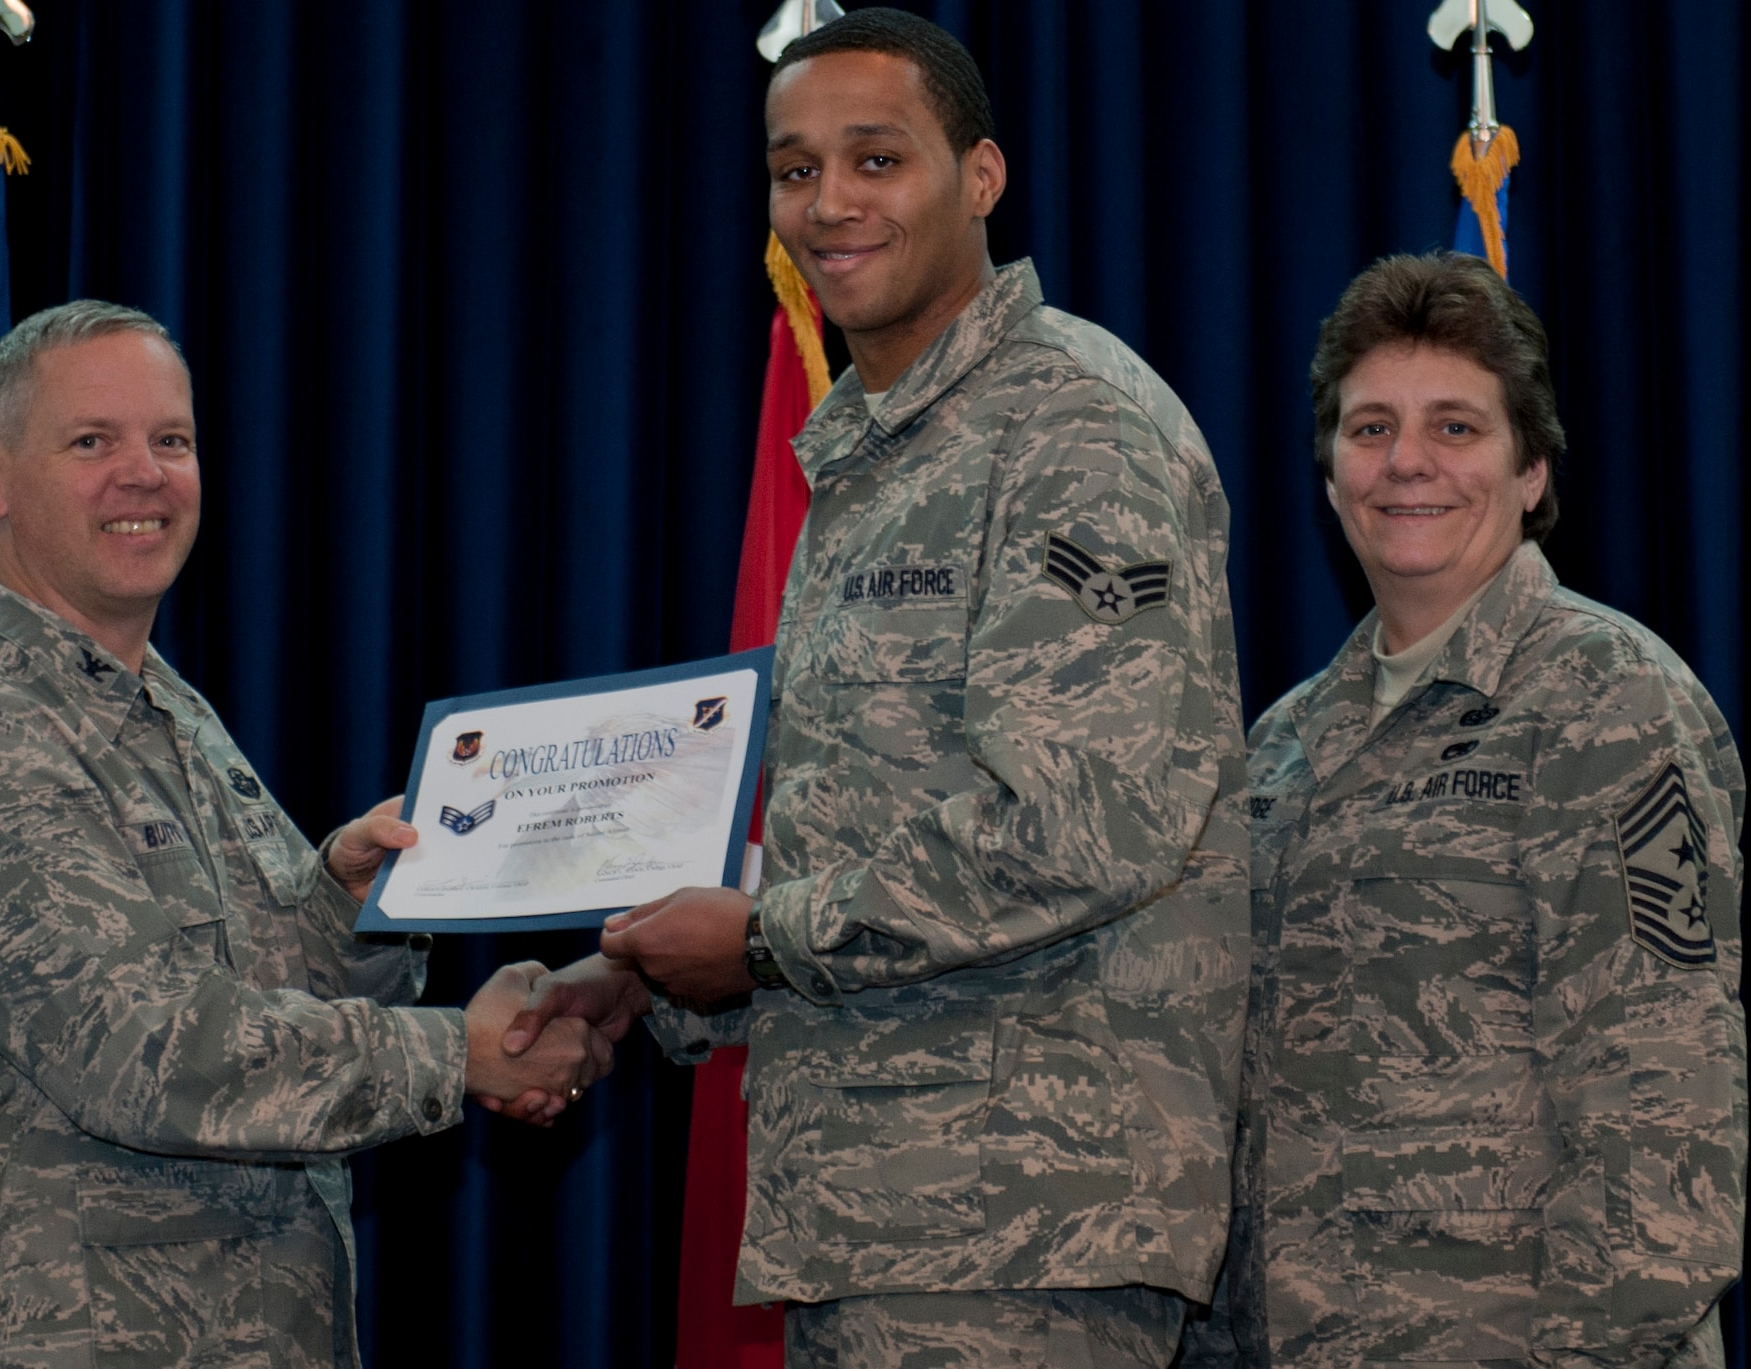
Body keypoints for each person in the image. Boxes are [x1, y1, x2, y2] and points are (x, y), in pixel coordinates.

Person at [497, 10, 1250, 1365]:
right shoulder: (869, 451)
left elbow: (1086, 823)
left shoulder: (1071, 427)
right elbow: (866, 829)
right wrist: (658, 974)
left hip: (1025, 1224)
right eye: (795, 171)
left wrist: (764, 938)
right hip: (883, 1215)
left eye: (876, 159)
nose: (829, 204)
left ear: (981, 175)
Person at [0, 300, 612, 1367]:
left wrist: (346, 908)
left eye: (171, 440)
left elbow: (264, 991)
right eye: (90, 442)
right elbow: (149, 1054)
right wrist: (458, 1053)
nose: (143, 473)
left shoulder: (162, 703)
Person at [1182, 252, 1747, 1367]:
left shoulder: (1607, 700)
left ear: (1530, 469)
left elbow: (1661, 1111)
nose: (1404, 463)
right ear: (1329, 469)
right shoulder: (1279, 747)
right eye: (1368, 428)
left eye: (1453, 428)